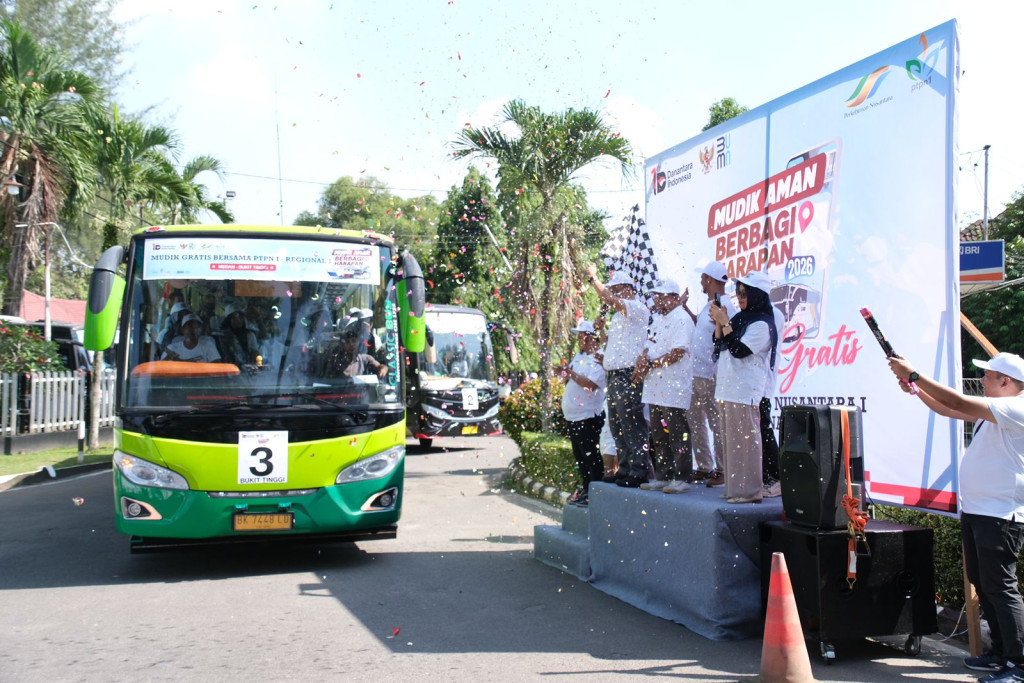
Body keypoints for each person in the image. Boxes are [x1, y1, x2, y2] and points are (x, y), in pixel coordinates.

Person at [890, 352, 1024, 682]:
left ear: (1006, 381)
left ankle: (1018, 664)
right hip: (979, 511)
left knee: (1000, 588)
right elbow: (948, 409)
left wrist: (915, 375)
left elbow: (957, 400)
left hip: (1000, 515)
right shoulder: (996, 409)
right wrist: (917, 390)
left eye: (988, 375)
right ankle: (1001, 653)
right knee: (985, 583)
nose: (982, 379)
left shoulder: (1016, 407)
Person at [709, 270, 778, 504]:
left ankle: (749, 492)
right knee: (730, 443)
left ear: (757, 295)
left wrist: (725, 322)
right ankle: (734, 488)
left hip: (744, 391)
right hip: (727, 388)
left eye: (744, 293)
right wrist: (720, 323)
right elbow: (719, 342)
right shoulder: (740, 318)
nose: (739, 298)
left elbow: (739, 350)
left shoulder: (762, 324)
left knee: (745, 444)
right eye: (738, 293)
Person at [586, 263, 650, 488]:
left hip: (628, 375)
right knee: (617, 425)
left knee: (632, 424)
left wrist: (593, 279)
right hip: (614, 375)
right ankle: (625, 469)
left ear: (627, 289)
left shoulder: (637, 308)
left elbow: (612, 301)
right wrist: (601, 330)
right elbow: (612, 344)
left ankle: (639, 470)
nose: (611, 295)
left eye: (614, 290)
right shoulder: (618, 318)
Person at [634, 279, 695, 494]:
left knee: (677, 432)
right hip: (655, 387)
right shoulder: (659, 320)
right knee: (659, 435)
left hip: (673, 387)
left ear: (675, 298)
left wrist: (651, 364)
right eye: (655, 296)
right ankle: (663, 475)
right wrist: (642, 359)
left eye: (662, 296)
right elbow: (647, 346)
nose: (657, 300)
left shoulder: (682, 319)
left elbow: (678, 353)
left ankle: (682, 477)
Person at [687, 261, 734, 488]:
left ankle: (723, 469)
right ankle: (705, 466)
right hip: (697, 373)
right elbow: (703, 326)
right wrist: (686, 310)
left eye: (702, 277)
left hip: (712, 374)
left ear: (709, 279)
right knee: (695, 421)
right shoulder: (709, 304)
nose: (700, 281)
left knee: (716, 423)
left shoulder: (726, 305)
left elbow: (727, 333)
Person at [557, 320, 607, 506]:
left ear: (591, 337)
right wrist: (565, 373)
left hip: (588, 417)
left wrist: (571, 374)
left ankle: (596, 494)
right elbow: (574, 379)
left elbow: (591, 385)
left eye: (582, 335)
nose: (579, 339)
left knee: (592, 458)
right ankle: (586, 490)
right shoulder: (579, 356)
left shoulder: (600, 358)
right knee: (581, 459)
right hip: (573, 417)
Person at [760, 300, 787, 498]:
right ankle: (764, 478)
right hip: (748, 385)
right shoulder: (753, 313)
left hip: (761, 384)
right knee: (756, 432)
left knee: (763, 429)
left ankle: (776, 478)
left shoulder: (773, 314)